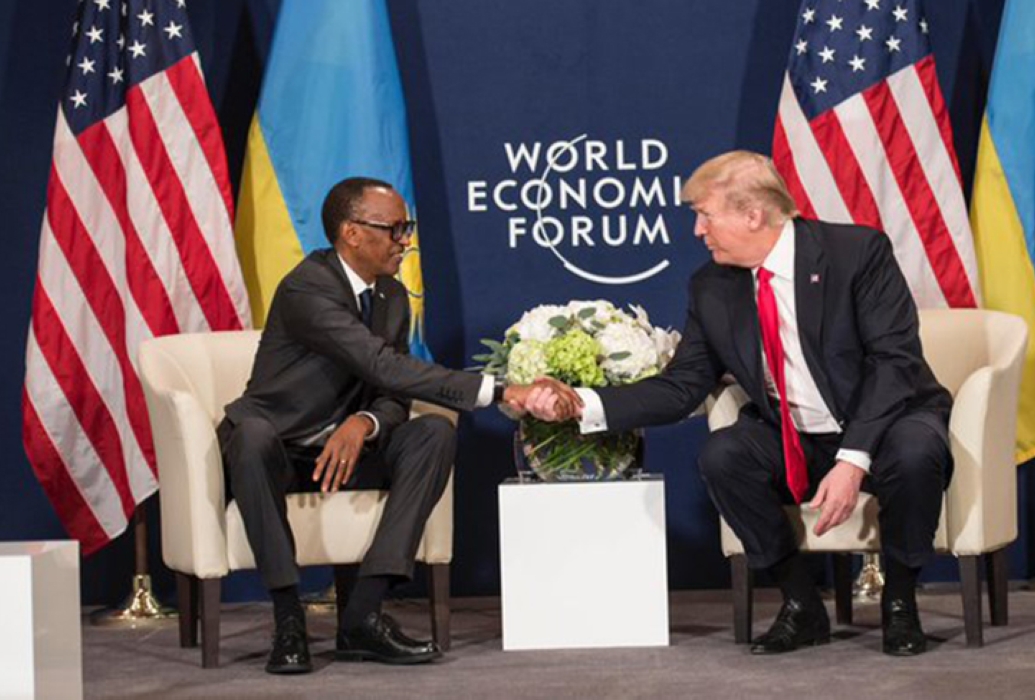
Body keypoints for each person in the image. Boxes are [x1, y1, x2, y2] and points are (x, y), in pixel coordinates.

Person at [525, 151, 953, 657]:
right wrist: (583, 405)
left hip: (886, 424)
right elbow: (682, 387)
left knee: (914, 451)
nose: (697, 231)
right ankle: (800, 603)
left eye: (705, 215)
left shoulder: (855, 253)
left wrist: (853, 458)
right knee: (724, 455)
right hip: (794, 437)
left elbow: (894, 362)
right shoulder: (712, 287)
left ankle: (900, 602)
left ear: (753, 215)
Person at [220, 176, 544, 674]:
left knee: (434, 432)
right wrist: (500, 390)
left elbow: (391, 393)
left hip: (347, 449)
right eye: (394, 229)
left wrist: (365, 423)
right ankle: (288, 621)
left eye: (406, 227)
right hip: (278, 449)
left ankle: (363, 615)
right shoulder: (309, 287)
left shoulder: (391, 296)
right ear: (352, 233)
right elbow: (383, 365)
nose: (405, 240)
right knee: (251, 436)